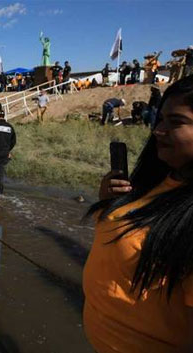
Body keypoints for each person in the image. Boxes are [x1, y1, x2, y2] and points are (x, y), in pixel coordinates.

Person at [83, 75, 193, 353]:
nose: (158, 130)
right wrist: (108, 203)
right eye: (162, 120)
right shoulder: (154, 180)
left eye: (176, 122)